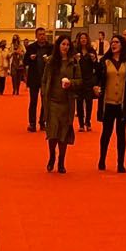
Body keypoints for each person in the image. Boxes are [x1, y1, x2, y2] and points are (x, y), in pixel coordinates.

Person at [42, 35, 79, 173]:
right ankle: (52, 156)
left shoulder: (74, 63)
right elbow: (45, 79)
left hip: (67, 103)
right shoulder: (51, 61)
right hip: (52, 102)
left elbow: (80, 80)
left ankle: (62, 160)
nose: (65, 47)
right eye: (63, 44)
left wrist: (71, 83)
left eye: (68, 45)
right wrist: (44, 93)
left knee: (64, 133)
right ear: (58, 45)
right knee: (52, 133)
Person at [97, 35, 126, 173]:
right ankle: (102, 159)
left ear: (122, 45)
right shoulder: (105, 62)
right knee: (106, 133)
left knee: (121, 134)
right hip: (108, 102)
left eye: (116, 42)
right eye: (112, 42)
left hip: (121, 103)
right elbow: (98, 79)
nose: (113, 44)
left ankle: (120, 163)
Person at [24, 32, 51, 130]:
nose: (42, 36)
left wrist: (49, 60)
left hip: (46, 78)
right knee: (33, 102)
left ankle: (43, 122)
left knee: (45, 102)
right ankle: (32, 123)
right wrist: (30, 58)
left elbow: (55, 61)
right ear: (36, 36)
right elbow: (25, 61)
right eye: (40, 34)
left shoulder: (50, 47)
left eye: (44, 34)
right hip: (34, 78)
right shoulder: (31, 47)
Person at [74, 32, 99, 131]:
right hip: (79, 79)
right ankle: (80, 123)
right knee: (79, 101)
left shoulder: (91, 50)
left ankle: (88, 121)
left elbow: (96, 66)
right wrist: (76, 60)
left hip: (89, 79)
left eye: (85, 38)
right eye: (81, 38)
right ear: (79, 40)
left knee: (89, 102)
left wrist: (94, 60)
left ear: (87, 40)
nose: (83, 40)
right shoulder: (76, 50)